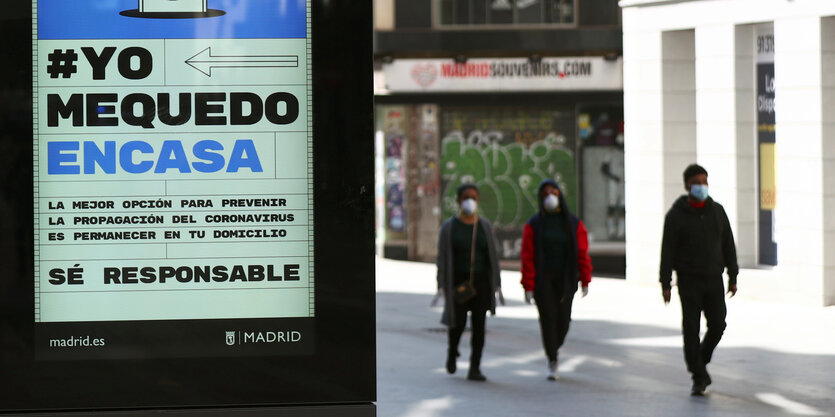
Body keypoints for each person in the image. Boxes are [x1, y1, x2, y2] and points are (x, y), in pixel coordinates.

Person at [660, 163, 739, 396]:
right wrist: (665, 283)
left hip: (714, 279)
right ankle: (698, 376)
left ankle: (699, 361)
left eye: (704, 182)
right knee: (691, 328)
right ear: (687, 186)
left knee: (718, 324)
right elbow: (667, 251)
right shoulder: (675, 216)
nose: (701, 187)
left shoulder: (718, 211)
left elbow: (728, 245)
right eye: (697, 183)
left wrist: (733, 275)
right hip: (689, 280)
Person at [520, 179, 592, 381]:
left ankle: (555, 344)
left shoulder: (573, 223)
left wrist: (585, 279)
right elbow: (527, 256)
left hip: (566, 278)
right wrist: (528, 284)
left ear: (560, 195)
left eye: (554, 192)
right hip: (544, 280)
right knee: (548, 319)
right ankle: (552, 358)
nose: (550, 197)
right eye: (545, 194)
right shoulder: (534, 224)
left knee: (563, 320)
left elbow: (582, 253)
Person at [433, 183, 503, 381]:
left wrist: (497, 282)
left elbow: (492, 256)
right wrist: (441, 283)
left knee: (479, 325)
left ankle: (475, 367)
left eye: (473, 197)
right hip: (458, 281)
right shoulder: (449, 227)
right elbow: (442, 257)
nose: (470, 201)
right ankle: (452, 351)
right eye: (465, 197)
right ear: (458, 201)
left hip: (481, 282)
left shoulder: (484, 226)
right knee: (457, 323)